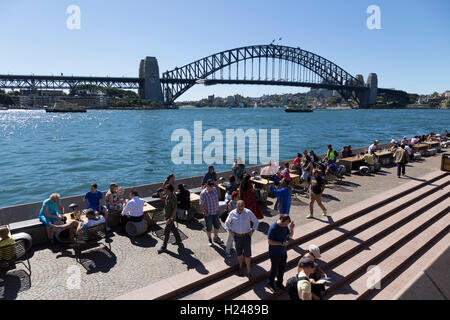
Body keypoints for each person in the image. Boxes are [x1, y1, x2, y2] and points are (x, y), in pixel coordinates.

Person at [225, 200, 259, 278]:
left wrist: (252, 231)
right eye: (239, 207)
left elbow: (256, 221)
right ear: (236, 206)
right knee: (239, 254)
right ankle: (240, 267)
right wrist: (231, 231)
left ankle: (248, 271)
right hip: (237, 237)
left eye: (242, 207)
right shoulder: (232, 213)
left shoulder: (248, 212)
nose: (240, 208)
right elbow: (227, 223)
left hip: (246, 236)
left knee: (247, 255)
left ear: (244, 206)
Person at [267, 215, 295, 291]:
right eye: (286, 224)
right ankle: (271, 283)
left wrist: (292, 229)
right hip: (274, 253)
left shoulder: (285, 226)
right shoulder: (273, 228)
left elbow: (290, 235)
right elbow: (270, 242)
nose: (286, 226)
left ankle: (279, 283)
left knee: (282, 269)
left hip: (283, 252)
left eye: (287, 224)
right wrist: (282, 243)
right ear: (281, 220)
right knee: (274, 269)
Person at [158, 184, 182, 253]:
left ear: (169, 190)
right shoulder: (168, 195)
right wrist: (160, 194)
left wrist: (171, 218)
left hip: (170, 217)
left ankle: (164, 247)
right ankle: (178, 240)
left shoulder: (173, 198)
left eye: (166, 189)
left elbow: (175, 209)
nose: (165, 190)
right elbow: (163, 198)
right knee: (173, 228)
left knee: (166, 232)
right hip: (167, 216)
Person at [200, 179, 223, 246]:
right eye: (210, 186)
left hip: (216, 212)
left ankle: (215, 237)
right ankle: (209, 239)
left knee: (217, 226)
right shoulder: (203, 193)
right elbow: (201, 204)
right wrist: (205, 212)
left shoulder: (214, 189)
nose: (211, 187)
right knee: (209, 227)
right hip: (208, 214)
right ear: (207, 185)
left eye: (212, 186)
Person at [225, 191, 239, 258]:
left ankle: (231, 247)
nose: (239, 197)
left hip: (236, 222)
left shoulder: (237, 203)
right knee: (230, 237)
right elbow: (231, 213)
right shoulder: (230, 203)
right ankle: (227, 251)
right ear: (234, 197)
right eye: (237, 196)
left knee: (233, 236)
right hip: (231, 222)